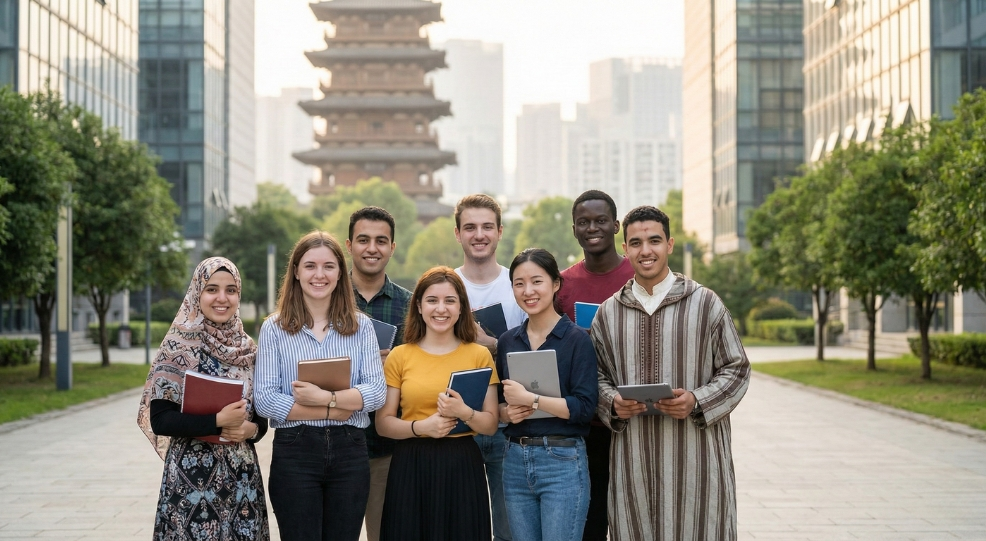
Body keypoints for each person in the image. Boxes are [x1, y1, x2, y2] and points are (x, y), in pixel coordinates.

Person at [592, 206, 751, 541]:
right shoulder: (608, 313)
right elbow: (595, 376)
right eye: (636, 243)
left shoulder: (705, 304)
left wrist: (697, 400)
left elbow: (736, 368)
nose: (645, 251)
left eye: (654, 240)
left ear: (670, 244)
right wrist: (613, 403)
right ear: (625, 248)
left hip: (697, 460)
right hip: (633, 462)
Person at [254, 231, 386, 541]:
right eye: (310, 266)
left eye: (329, 266)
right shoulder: (274, 329)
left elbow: (377, 392)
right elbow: (266, 399)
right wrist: (334, 409)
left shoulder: (362, 327)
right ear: (296, 272)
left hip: (350, 450)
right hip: (295, 451)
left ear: (340, 273)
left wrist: (326, 398)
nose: (319, 275)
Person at [137, 256, 270, 540]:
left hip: (242, 482)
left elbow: (261, 420)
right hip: (190, 484)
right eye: (212, 289)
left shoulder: (249, 351)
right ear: (197, 293)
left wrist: (252, 430)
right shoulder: (177, 347)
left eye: (230, 290)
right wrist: (217, 420)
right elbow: (161, 420)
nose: (222, 298)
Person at [376, 266, 500, 541]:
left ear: (461, 307)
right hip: (411, 464)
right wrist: (422, 427)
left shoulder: (479, 355)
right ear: (419, 306)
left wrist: (464, 412)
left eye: (450, 301)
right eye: (432, 300)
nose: (441, 309)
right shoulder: (399, 356)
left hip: (462, 465)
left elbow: (491, 425)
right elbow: (383, 424)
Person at [496, 248, 598, 541]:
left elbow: (585, 408)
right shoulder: (507, 342)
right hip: (515, 460)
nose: (528, 291)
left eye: (536, 281)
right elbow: (499, 405)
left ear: (555, 284)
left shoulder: (578, 340)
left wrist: (532, 400)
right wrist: (507, 412)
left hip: (562, 461)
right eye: (519, 283)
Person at [553, 189, 635, 541]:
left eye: (601, 220)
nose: (592, 228)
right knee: (591, 520)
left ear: (616, 225)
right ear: (574, 229)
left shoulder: (639, 273)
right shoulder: (563, 284)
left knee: (635, 516)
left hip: (636, 415)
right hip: (586, 422)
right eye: (583, 222)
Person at [453, 193, 526, 541]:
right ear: (457, 234)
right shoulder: (445, 286)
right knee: (458, 524)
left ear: (499, 231)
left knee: (509, 528)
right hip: (456, 422)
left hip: (508, 421)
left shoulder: (519, 286)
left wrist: (493, 345)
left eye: (486, 227)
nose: (479, 235)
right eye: (470, 227)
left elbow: (534, 352)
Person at [345, 206, 412, 541]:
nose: (372, 248)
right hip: (336, 446)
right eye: (363, 240)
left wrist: (394, 367)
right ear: (349, 245)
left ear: (392, 247)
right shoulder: (325, 298)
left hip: (388, 451)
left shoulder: (411, 306)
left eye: (381, 241)